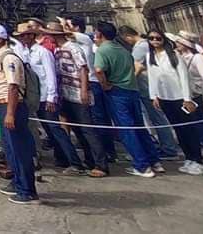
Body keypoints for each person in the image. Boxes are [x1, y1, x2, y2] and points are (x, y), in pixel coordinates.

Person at [94, 20, 163, 178]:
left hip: (117, 91)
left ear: (99, 34)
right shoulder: (123, 48)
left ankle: (142, 166)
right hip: (132, 89)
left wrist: (104, 84)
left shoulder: (103, 50)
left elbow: (98, 70)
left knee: (127, 130)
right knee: (139, 127)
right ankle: (154, 161)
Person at [0, 22, 38, 204]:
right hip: (3, 104)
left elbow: (13, 86)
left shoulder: (9, 58)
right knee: (10, 148)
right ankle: (17, 181)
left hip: (12, 105)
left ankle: (26, 190)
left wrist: (10, 113)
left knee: (18, 148)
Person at [15, 22, 82, 173]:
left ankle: (75, 162)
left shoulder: (43, 52)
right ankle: (62, 158)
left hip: (46, 96)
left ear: (32, 35)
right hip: (35, 96)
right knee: (49, 130)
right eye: (22, 36)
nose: (24, 38)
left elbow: (51, 74)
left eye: (26, 35)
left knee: (55, 129)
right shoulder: (25, 52)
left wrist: (52, 96)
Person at [50, 23, 108, 177]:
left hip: (77, 92)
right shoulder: (58, 50)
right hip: (66, 93)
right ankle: (89, 160)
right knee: (78, 129)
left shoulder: (73, 48)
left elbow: (83, 68)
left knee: (88, 129)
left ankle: (101, 164)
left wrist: (84, 90)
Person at [145, 29, 203, 175]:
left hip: (179, 97)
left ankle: (197, 160)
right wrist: (154, 96)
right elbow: (152, 77)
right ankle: (189, 157)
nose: (155, 41)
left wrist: (187, 98)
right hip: (164, 97)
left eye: (158, 38)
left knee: (188, 129)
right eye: (151, 38)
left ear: (163, 39)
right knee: (178, 129)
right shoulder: (149, 56)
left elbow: (184, 77)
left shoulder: (174, 54)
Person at [121, 25, 180, 160]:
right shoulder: (143, 46)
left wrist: (128, 81)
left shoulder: (140, 47)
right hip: (149, 87)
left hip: (148, 87)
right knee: (157, 118)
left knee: (158, 118)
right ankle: (167, 145)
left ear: (128, 37)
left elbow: (137, 66)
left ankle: (169, 148)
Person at [64, 15, 116, 163]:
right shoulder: (71, 45)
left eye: (68, 25)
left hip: (92, 83)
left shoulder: (86, 40)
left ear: (76, 27)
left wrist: (61, 25)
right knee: (87, 120)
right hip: (80, 84)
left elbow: (66, 33)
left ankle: (107, 151)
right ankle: (97, 152)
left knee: (98, 119)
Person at [169, 31, 203, 172]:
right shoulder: (180, 57)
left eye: (178, 42)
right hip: (193, 98)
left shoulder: (197, 58)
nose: (176, 45)